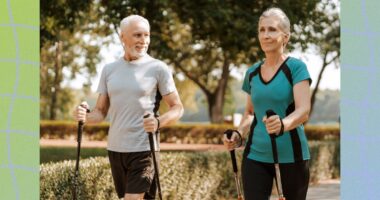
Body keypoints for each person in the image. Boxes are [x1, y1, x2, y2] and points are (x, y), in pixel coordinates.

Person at [74, 15, 184, 200]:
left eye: (147, 35)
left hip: (144, 148)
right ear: (122, 37)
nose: (144, 41)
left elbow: (177, 107)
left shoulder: (158, 68)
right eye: (137, 35)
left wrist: (158, 122)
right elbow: (100, 111)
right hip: (116, 149)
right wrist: (83, 115)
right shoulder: (109, 69)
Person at [223, 8, 312, 200]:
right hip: (255, 155)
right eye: (261, 30)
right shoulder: (252, 72)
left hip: (292, 156)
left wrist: (283, 124)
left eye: (272, 30)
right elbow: (249, 112)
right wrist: (239, 134)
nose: (266, 35)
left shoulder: (296, 68)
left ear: (285, 37)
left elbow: (303, 110)